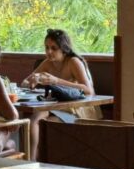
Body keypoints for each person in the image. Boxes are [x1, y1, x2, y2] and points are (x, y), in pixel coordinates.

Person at [22, 29, 96, 159]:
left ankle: (41, 160)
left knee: (41, 123)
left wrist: (56, 81)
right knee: (32, 120)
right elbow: (24, 82)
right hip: (55, 106)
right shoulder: (47, 63)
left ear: (64, 48)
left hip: (76, 108)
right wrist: (32, 82)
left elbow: (89, 91)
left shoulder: (73, 61)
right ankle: (30, 160)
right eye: (47, 47)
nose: (49, 52)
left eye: (54, 48)